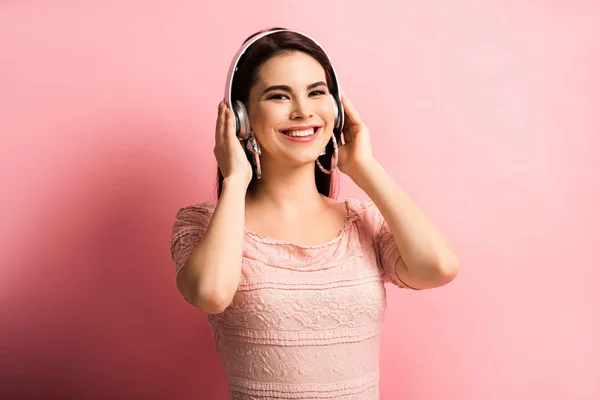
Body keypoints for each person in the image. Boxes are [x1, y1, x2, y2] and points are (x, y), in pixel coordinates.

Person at [170, 27, 459, 400]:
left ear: (337, 109)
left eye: (317, 92)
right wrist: (236, 179)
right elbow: (211, 293)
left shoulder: (363, 221)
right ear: (241, 117)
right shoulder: (203, 224)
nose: (303, 110)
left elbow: (438, 268)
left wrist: (365, 169)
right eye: (278, 96)